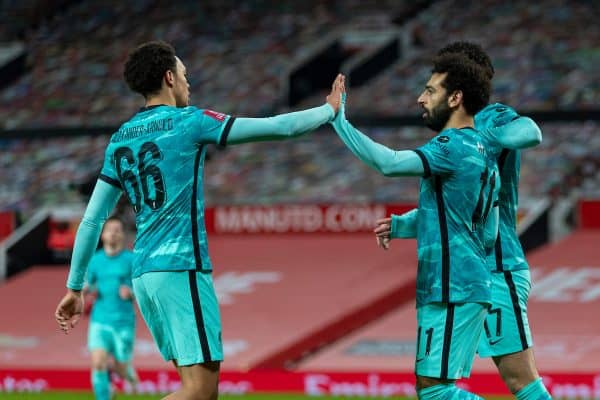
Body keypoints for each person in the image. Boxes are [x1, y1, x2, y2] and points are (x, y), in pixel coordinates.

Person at [55, 40, 344, 400]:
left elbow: (91, 220)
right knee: (202, 393)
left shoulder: (119, 141)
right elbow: (278, 128)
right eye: (184, 75)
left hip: (144, 274)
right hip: (180, 267)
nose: (188, 83)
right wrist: (327, 111)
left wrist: (74, 287)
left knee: (192, 389)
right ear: (169, 78)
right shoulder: (190, 122)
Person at [374, 42, 551, 400]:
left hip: (497, 267)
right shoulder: (455, 134)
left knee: (519, 382)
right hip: (469, 273)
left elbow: (530, 132)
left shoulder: (493, 117)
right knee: (442, 387)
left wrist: (491, 137)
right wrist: (404, 224)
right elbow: (456, 210)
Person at [331, 52, 499, 399]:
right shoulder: (484, 150)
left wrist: (339, 120)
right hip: (463, 284)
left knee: (435, 391)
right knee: (432, 388)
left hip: (453, 287)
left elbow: (389, 163)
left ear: (456, 98)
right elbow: (485, 230)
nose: (421, 98)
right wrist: (405, 225)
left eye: (430, 90)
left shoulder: (450, 145)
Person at [84, 216, 138, 399]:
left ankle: (126, 373)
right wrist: (87, 290)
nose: (114, 233)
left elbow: (142, 289)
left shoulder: (132, 259)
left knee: (121, 368)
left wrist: (131, 293)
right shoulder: (95, 260)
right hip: (100, 319)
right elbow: (88, 285)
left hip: (123, 321)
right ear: (103, 235)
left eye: (118, 230)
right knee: (98, 363)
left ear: (123, 235)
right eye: (110, 230)